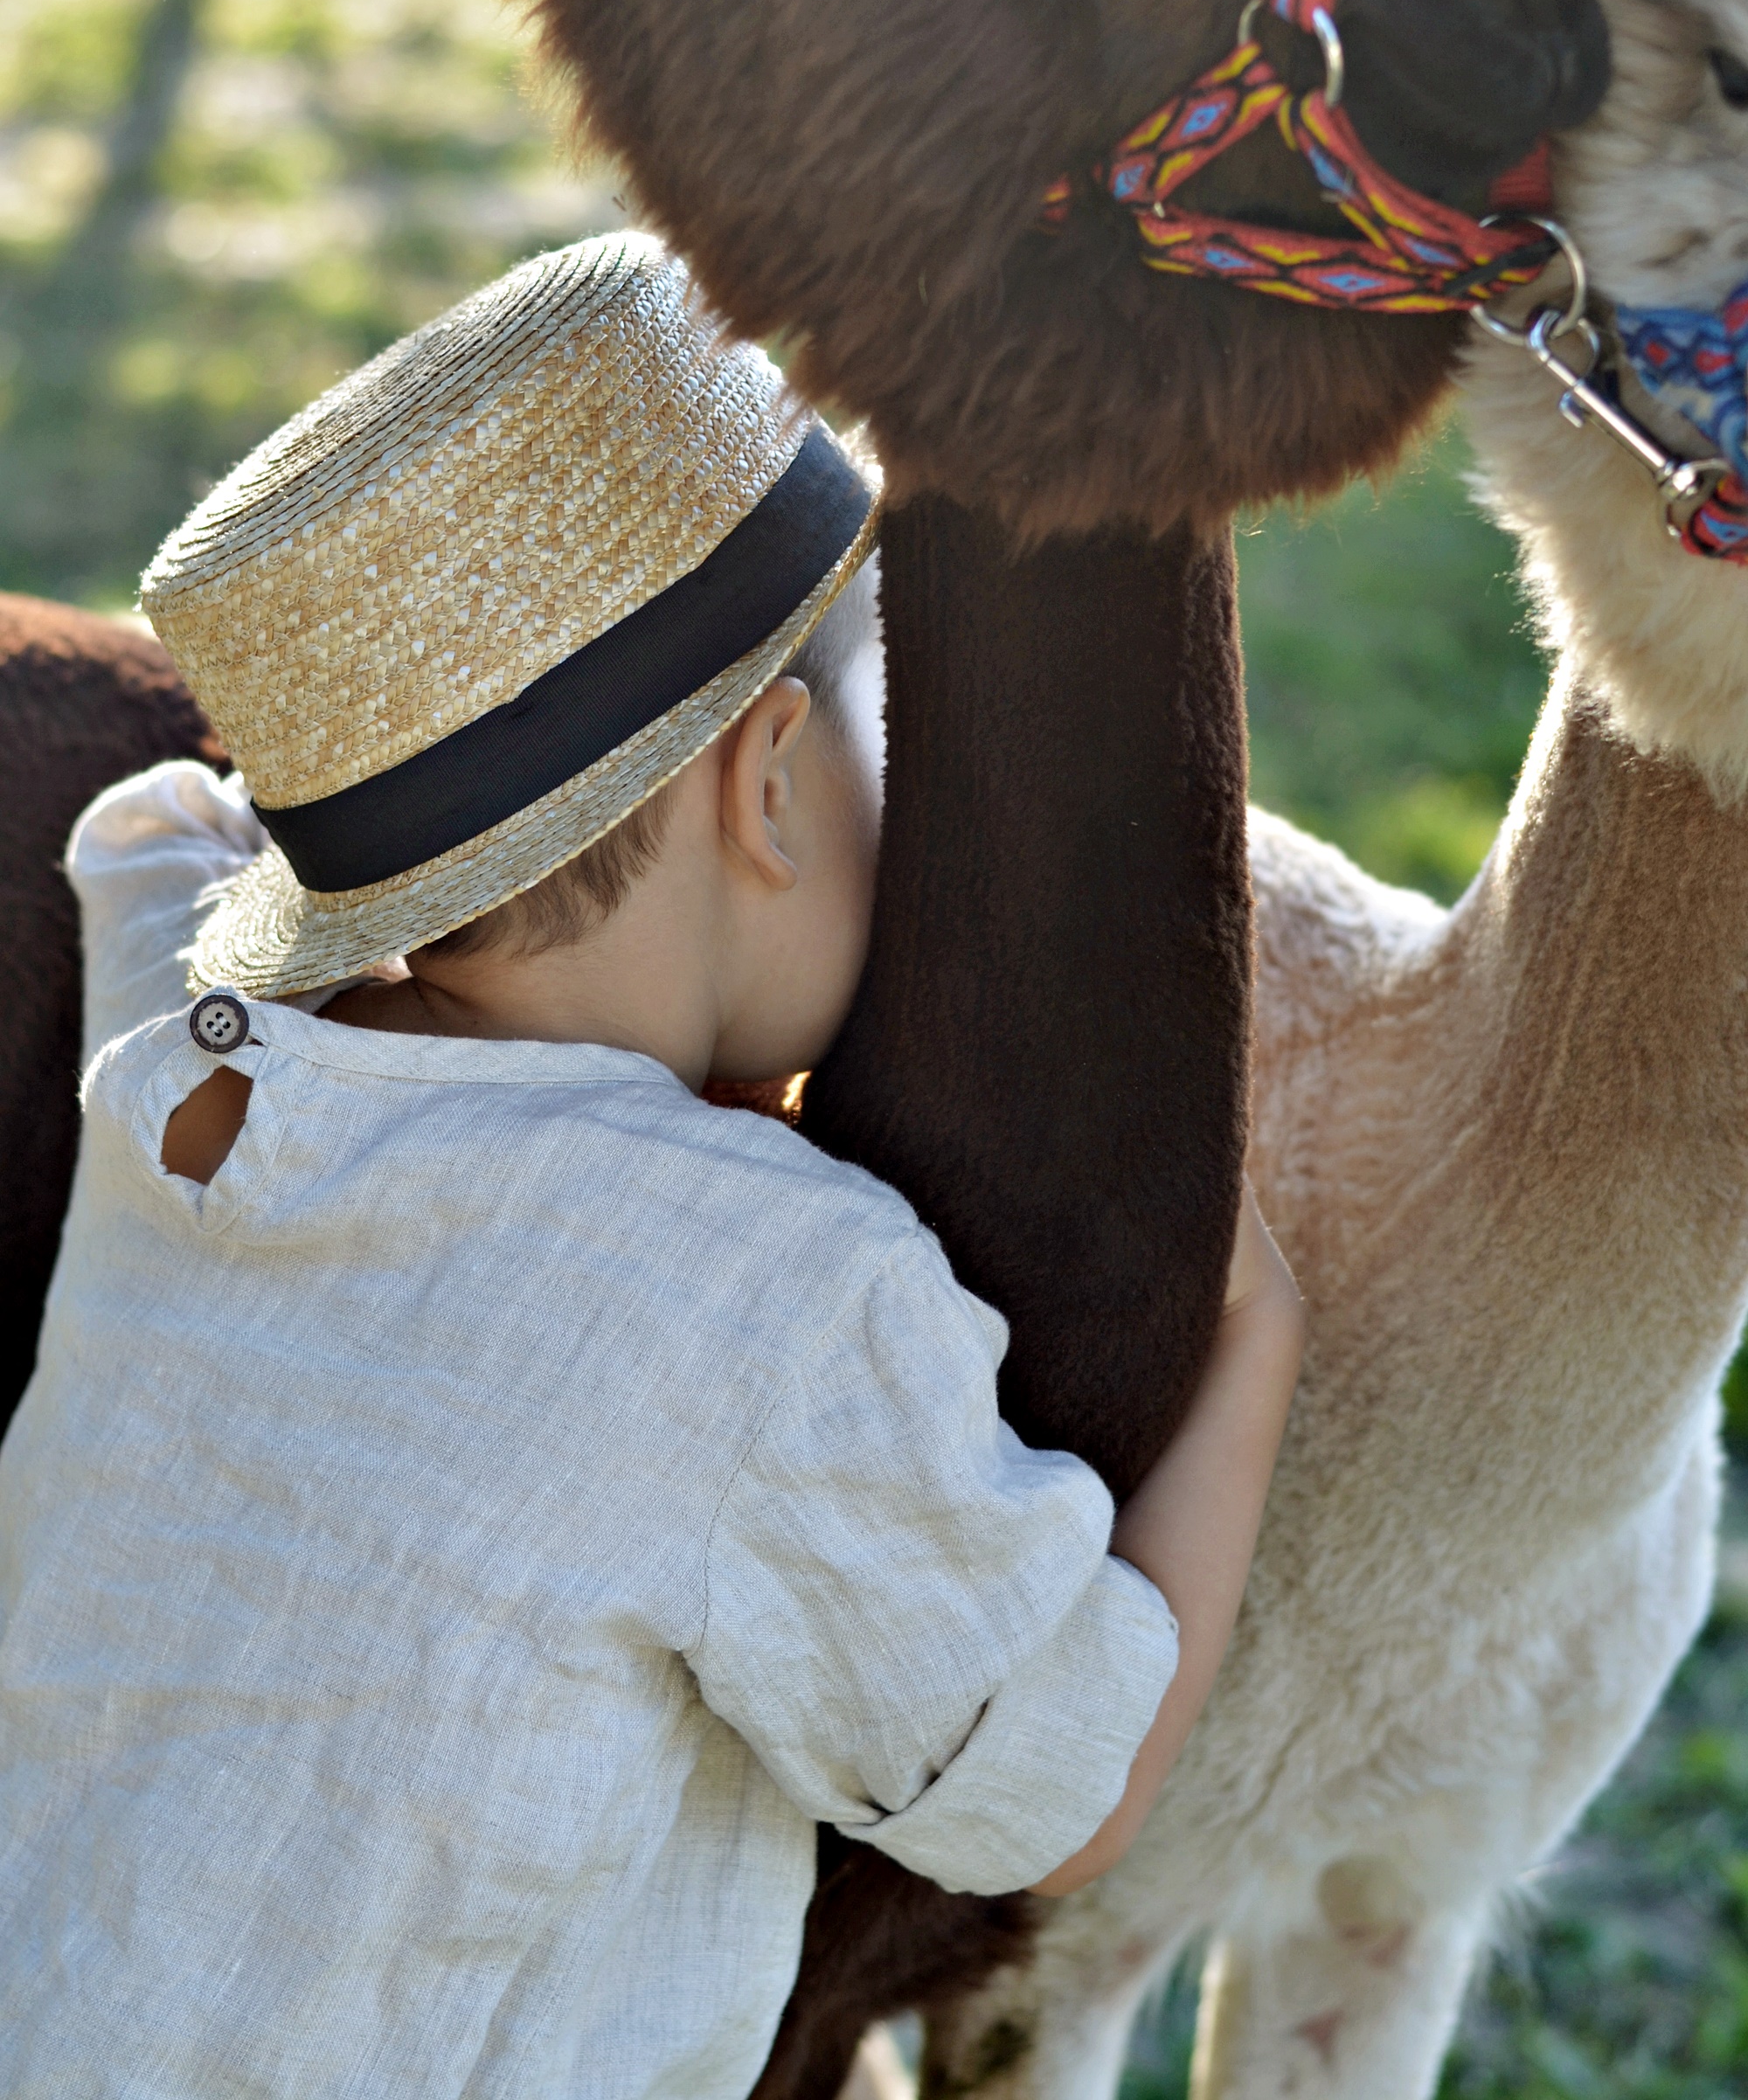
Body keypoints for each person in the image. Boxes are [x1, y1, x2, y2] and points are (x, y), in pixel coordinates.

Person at [0, 232, 1302, 2099]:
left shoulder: (185, 1070)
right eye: (863, 725)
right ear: (769, 779)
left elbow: (158, 834)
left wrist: (376, 770)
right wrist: (1247, 1319)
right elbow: (1044, 1782)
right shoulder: (752, 1292)